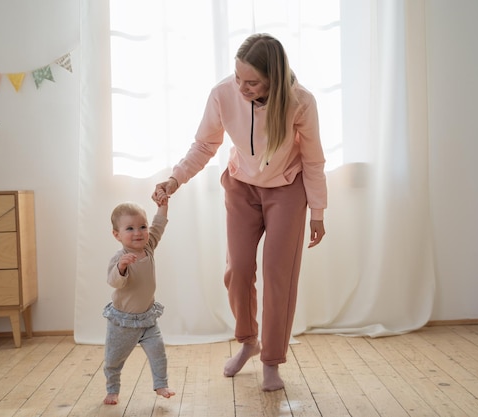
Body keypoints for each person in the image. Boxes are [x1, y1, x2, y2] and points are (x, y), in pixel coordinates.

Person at [152, 33, 327, 391]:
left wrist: (318, 213)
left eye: (252, 82)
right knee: (238, 269)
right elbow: (205, 144)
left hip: (287, 190)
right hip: (241, 186)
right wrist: (174, 180)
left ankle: (272, 362)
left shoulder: (300, 102)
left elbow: (312, 160)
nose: (242, 87)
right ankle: (249, 341)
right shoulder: (222, 94)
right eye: (238, 78)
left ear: (273, 79)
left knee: (279, 276)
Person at [102, 193, 175, 405]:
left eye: (142, 226)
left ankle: (161, 384)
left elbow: (159, 226)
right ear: (117, 235)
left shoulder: (148, 247)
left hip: (148, 318)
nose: (138, 233)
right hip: (123, 322)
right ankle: (112, 389)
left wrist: (162, 207)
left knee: (158, 353)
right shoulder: (119, 258)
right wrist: (122, 267)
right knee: (114, 359)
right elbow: (114, 282)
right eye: (130, 228)